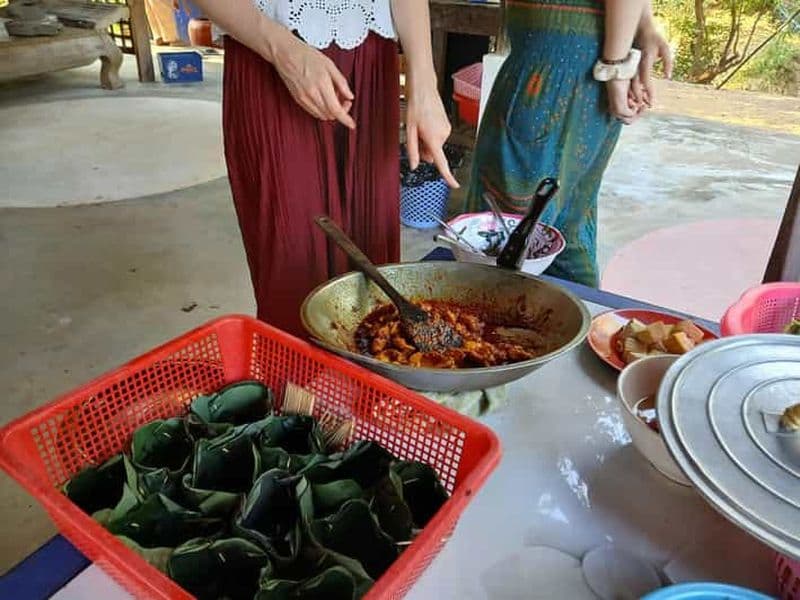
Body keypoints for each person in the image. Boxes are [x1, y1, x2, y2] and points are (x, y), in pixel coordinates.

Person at [190, 0, 457, 338]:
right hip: (266, 52)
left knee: (374, 283)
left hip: (371, 60)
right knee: (293, 279)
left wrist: (424, 81)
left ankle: (368, 389)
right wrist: (282, 51)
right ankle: (300, 388)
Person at [464, 0, 672, 287]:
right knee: (565, 231)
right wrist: (641, 26)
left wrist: (616, 64)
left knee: (504, 246)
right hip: (582, 80)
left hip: (548, 77)